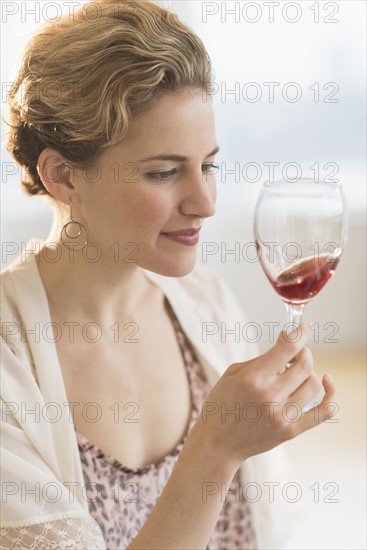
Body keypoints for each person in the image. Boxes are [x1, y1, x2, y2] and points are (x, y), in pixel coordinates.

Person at [0, 1, 338, 548]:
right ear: (62, 175)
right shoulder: (10, 364)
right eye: (163, 172)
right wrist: (216, 448)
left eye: (208, 165)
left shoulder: (205, 304)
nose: (204, 204)